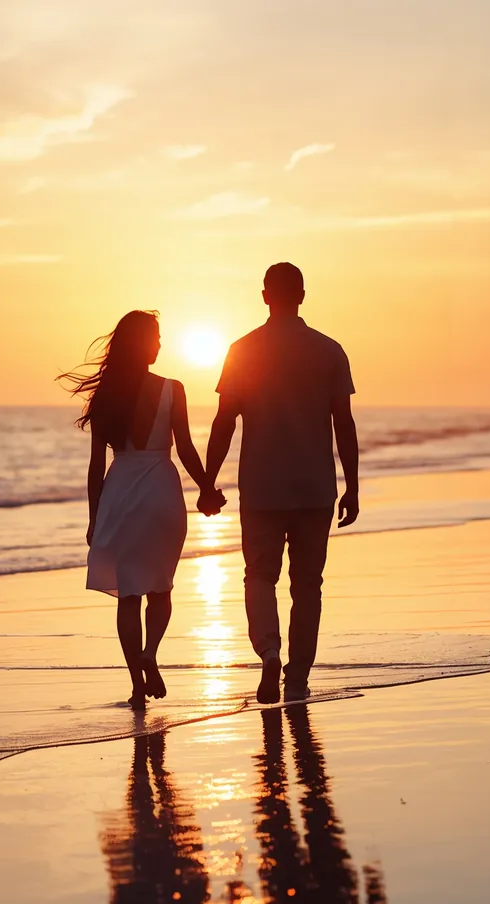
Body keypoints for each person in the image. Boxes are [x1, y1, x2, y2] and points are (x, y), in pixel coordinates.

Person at [205, 263, 359, 705]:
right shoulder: (329, 350)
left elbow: (224, 420)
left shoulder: (243, 350)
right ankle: (298, 676)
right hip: (314, 487)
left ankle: (269, 652)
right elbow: (343, 423)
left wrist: (209, 481)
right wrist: (352, 485)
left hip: (261, 486)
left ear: (265, 296)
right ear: (303, 296)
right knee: (308, 584)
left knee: (259, 576)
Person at [61, 310, 227, 709]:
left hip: (121, 495)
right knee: (161, 587)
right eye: (154, 337)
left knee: (128, 595)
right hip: (161, 493)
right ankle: (151, 650)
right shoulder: (174, 389)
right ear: (141, 343)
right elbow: (185, 448)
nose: (159, 344)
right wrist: (207, 489)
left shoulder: (106, 396)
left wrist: (93, 516)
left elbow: (96, 466)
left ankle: (137, 683)